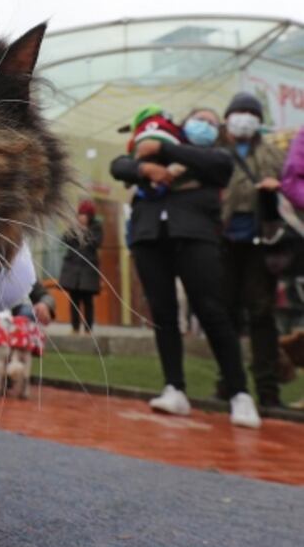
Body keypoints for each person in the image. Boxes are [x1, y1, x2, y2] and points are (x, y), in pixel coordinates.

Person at [110, 106, 261, 428]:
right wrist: (147, 169)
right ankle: (174, 388)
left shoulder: (214, 156)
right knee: (163, 314)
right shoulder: (152, 150)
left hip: (196, 237)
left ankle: (240, 394)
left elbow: (220, 168)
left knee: (211, 311)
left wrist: (164, 149)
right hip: (149, 236)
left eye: (209, 121)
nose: (203, 125)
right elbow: (119, 166)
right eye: (198, 119)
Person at [219, 93, 288, 409]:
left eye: (251, 112)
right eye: (239, 112)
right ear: (228, 117)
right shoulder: (216, 152)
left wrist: (277, 187)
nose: (244, 117)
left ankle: (268, 389)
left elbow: (291, 186)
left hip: (262, 243)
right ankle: (228, 385)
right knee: (226, 314)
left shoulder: (273, 153)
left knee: (262, 315)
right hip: (224, 241)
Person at [59, 200, 102, 334]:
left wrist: (85, 231)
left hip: (88, 269)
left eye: (85, 214)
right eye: (80, 214)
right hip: (73, 269)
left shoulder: (97, 227)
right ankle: (75, 327)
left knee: (88, 300)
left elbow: (96, 242)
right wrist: (74, 229)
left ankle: (88, 329)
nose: (81, 217)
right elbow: (65, 239)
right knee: (74, 300)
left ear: (90, 216)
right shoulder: (74, 227)